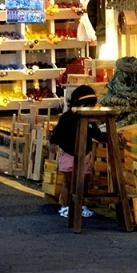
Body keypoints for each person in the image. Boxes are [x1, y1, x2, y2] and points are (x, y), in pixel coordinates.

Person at [49, 85, 104, 219]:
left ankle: (81, 204)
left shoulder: (90, 119)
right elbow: (57, 132)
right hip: (69, 153)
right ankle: (66, 206)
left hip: (85, 154)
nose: (89, 109)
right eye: (87, 106)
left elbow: (97, 134)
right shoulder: (67, 117)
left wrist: (111, 137)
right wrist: (53, 143)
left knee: (83, 182)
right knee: (69, 182)